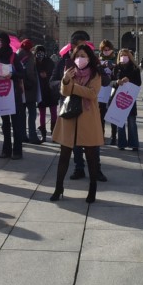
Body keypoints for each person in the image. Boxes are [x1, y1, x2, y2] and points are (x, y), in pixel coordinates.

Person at [50, 43, 104, 203]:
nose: (80, 59)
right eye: (77, 56)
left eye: (83, 56)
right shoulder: (70, 72)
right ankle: (58, 188)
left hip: (88, 118)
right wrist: (66, 80)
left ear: (89, 58)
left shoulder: (95, 74)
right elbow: (64, 91)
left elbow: (92, 94)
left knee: (91, 156)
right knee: (64, 155)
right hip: (70, 117)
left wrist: (72, 87)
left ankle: (92, 189)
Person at [0, 31, 25, 159]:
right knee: (5, 124)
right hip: (0, 94)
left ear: (5, 42)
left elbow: (22, 73)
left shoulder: (13, 56)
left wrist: (13, 75)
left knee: (16, 123)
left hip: (13, 94)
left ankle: (17, 151)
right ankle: (6, 149)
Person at [112, 48, 141, 151]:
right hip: (119, 97)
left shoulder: (135, 68)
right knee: (120, 122)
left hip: (130, 97)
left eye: (126, 55)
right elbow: (111, 81)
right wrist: (117, 82)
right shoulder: (116, 67)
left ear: (129, 57)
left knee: (132, 121)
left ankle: (134, 144)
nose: (123, 57)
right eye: (121, 55)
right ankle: (122, 143)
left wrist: (130, 80)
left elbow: (139, 83)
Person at [17, 38, 41, 144]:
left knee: (22, 114)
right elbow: (30, 72)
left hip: (20, 88)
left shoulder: (17, 55)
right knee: (32, 114)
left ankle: (22, 135)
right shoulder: (30, 56)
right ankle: (32, 136)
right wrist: (35, 81)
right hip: (29, 89)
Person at [97, 40, 118, 144]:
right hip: (101, 90)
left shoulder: (116, 59)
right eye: (104, 49)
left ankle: (114, 136)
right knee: (101, 114)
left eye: (108, 49)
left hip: (113, 88)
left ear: (111, 49)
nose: (106, 51)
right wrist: (101, 66)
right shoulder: (98, 60)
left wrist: (113, 67)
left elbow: (118, 73)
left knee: (112, 113)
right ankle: (101, 135)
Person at [35, 44, 57, 143]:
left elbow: (54, 74)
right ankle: (43, 134)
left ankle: (54, 133)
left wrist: (47, 75)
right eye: (38, 52)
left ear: (44, 53)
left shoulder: (49, 62)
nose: (40, 54)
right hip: (41, 91)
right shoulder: (34, 63)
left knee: (53, 112)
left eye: (41, 52)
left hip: (51, 91)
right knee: (42, 113)